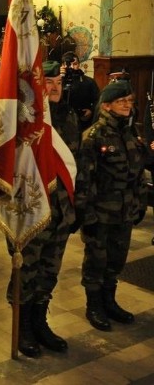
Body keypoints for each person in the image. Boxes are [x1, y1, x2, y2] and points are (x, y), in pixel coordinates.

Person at [6, 61, 79, 358]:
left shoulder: (69, 116)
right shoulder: (25, 122)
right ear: (37, 87)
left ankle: (39, 321)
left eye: (58, 82)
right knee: (27, 273)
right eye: (47, 82)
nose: (54, 87)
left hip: (61, 212)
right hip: (34, 211)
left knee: (50, 272)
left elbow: (78, 164)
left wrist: (78, 208)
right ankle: (22, 327)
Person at [75, 81, 147, 332]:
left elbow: (137, 174)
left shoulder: (129, 133)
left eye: (129, 100)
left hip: (124, 211)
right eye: (121, 101)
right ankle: (94, 306)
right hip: (101, 213)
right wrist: (87, 215)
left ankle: (109, 301)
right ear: (106, 105)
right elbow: (85, 180)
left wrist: (139, 204)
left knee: (116, 260)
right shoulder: (94, 137)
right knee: (96, 261)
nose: (128, 105)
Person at [60, 51, 100, 132]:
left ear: (79, 64)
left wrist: (91, 110)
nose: (71, 67)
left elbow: (98, 100)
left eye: (75, 64)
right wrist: (59, 78)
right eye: (68, 64)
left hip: (83, 120)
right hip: (63, 120)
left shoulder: (89, 82)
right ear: (62, 66)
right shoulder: (58, 81)